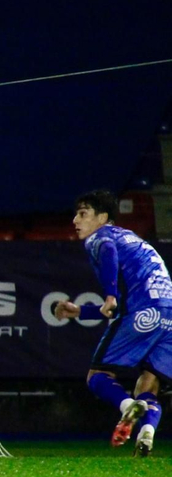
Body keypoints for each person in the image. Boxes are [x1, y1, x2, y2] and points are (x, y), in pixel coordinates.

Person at [52, 189, 172, 456]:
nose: (75, 220)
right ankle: (147, 432)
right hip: (169, 315)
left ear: (102, 217)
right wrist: (81, 311)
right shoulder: (134, 240)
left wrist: (109, 293)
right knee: (148, 383)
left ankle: (128, 406)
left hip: (144, 313)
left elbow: (107, 252)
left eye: (83, 214)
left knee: (97, 376)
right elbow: (119, 308)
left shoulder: (101, 236)